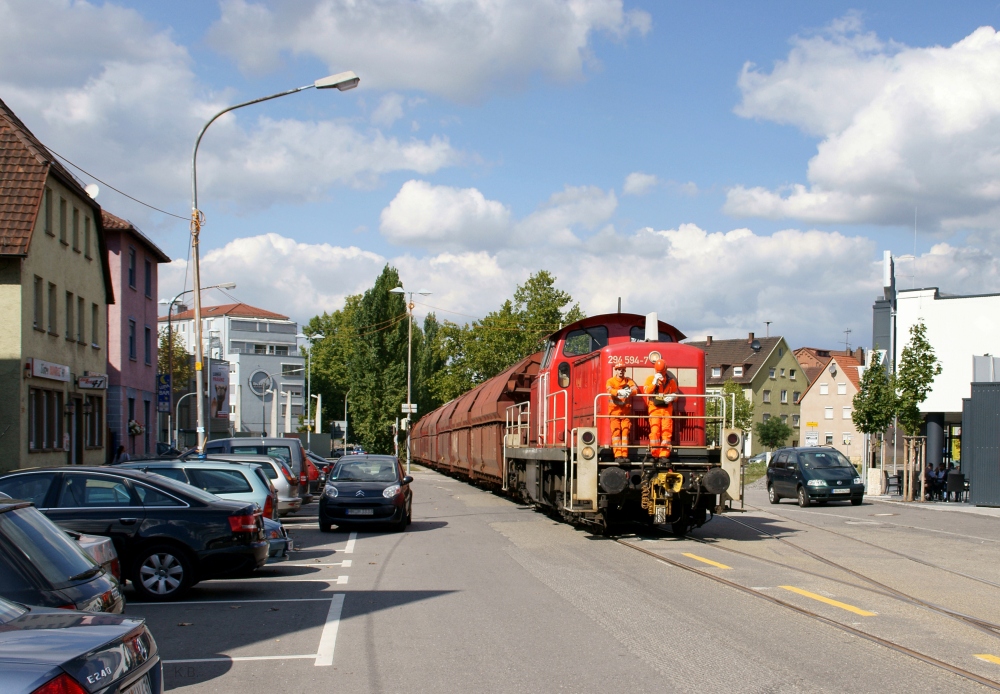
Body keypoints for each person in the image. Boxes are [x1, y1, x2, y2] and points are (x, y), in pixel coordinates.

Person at [643, 359, 679, 462]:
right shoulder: (650, 379)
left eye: (662, 371)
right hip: (654, 409)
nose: (661, 373)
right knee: (655, 432)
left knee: (666, 433)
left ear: (665, 370)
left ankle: (664, 455)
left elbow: (676, 395)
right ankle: (655, 454)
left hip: (667, 410)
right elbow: (647, 392)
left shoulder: (671, 381)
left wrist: (673, 397)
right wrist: (654, 382)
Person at [606, 362, 638, 462]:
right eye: (619, 369)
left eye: (622, 369)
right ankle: (618, 455)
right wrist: (618, 392)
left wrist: (629, 392)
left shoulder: (628, 381)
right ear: (616, 370)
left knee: (625, 433)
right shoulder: (610, 381)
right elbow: (609, 390)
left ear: (624, 370)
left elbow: (635, 390)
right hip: (614, 413)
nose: (621, 371)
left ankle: (624, 455)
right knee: (616, 433)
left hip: (625, 413)